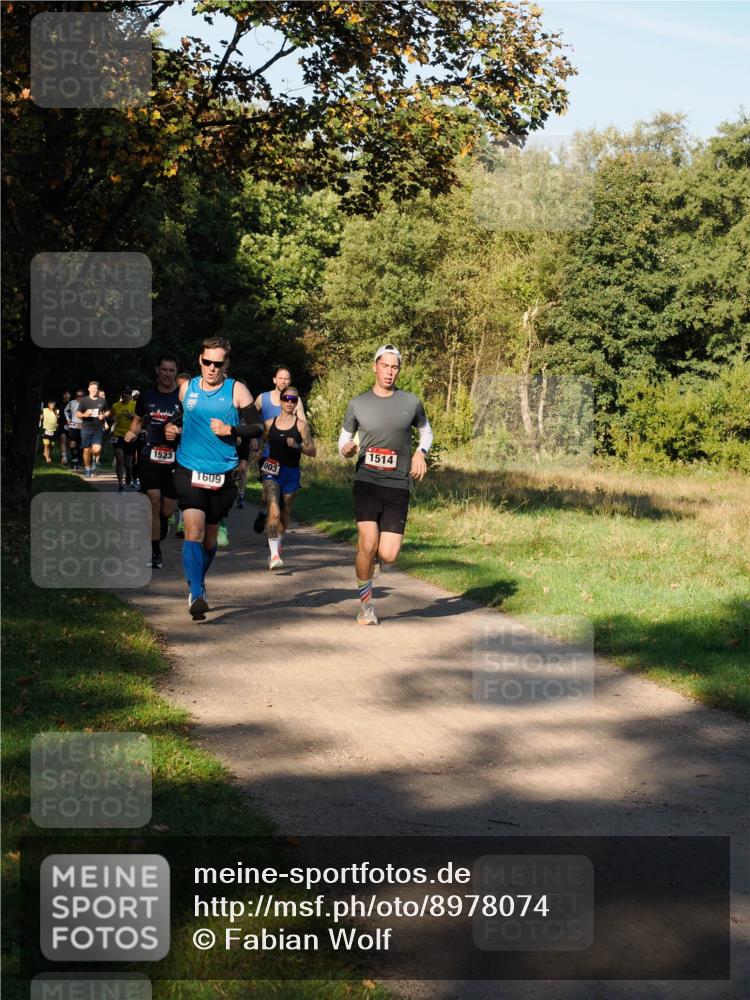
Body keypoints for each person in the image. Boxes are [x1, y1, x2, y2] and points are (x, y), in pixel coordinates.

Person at [165, 337, 261, 619]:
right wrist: (172, 429)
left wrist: (232, 430)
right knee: (192, 530)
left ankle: (197, 581)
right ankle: (196, 594)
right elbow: (180, 419)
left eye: (218, 364)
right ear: (200, 360)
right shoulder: (187, 389)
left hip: (222, 474)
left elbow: (256, 427)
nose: (211, 368)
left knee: (209, 541)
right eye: (207, 362)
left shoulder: (236, 390)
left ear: (226, 364)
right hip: (188, 468)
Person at [338, 345, 433, 625]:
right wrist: (345, 450)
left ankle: (374, 562)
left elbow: (426, 433)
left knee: (388, 554)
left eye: (395, 367)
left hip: (398, 485)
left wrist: (420, 453)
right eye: (385, 366)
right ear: (375, 367)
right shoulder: (358, 403)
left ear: (398, 370)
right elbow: (343, 440)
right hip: (367, 481)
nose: (390, 372)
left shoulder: (411, 402)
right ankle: (366, 607)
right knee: (367, 543)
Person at [125, 356, 181, 570]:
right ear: (157, 370)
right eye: (164, 369)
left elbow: (194, 426)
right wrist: (131, 433)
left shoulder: (183, 397)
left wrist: (179, 432)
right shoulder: (147, 396)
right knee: (153, 500)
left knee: (166, 510)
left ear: (176, 372)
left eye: (171, 370)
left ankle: (163, 521)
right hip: (150, 454)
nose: (167, 374)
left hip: (176, 457)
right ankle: (155, 551)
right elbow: (138, 421)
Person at [260, 385, 316, 570]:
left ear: (297, 402)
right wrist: (256, 460)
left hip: (291, 473)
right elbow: (260, 444)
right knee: (274, 511)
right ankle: (274, 555)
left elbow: (312, 451)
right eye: (287, 399)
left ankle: (275, 545)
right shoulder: (269, 423)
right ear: (281, 401)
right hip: (272, 471)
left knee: (284, 514)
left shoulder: (301, 425)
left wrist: (298, 446)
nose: (290, 402)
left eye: (294, 400)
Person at [251, 367, 307, 531]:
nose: (283, 381)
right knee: (268, 489)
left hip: (288, 455)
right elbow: (251, 418)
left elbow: (303, 421)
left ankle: (270, 520)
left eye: (287, 379)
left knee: (276, 497)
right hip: (267, 453)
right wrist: (254, 439)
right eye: (280, 378)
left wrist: (300, 438)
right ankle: (264, 511)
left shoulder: (294, 400)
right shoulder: (263, 398)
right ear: (274, 380)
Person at [77, 381, 110, 477]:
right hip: (86, 428)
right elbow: (77, 413)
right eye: (92, 388)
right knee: (86, 450)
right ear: (89, 389)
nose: (94, 390)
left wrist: (103, 415)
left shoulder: (102, 400)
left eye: (96, 388)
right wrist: (84, 415)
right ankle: (87, 468)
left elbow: (108, 411)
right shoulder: (84, 400)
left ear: (97, 390)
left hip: (98, 429)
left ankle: (93, 459)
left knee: (97, 449)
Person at [111, 388, 137, 493]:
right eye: (123, 393)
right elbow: (112, 417)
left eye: (127, 393)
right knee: (120, 460)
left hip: (130, 435)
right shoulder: (115, 405)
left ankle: (129, 473)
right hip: (117, 435)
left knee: (129, 463)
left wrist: (132, 417)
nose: (124, 395)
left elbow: (141, 419)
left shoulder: (135, 404)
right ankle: (120, 484)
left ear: (130, 396)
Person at [64, 390, 84, 470]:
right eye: (77, 396)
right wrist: (68, 418)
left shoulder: (86, 403)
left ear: (83, 396)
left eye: (81, 396)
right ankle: (74, 460)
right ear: (75, 396)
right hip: (73, 425)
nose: (79, 397)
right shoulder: (72, 402)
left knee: (81, 445)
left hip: (83, 426)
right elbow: (65, 410)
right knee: (72, 443)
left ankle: (79, 460)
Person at [40, 400, 59, 464]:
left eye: (53, 404)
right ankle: (48, 458)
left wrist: (57, 423)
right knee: (46, 445)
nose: (52, 405)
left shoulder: (57, 411)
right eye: (51, 404)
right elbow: (41, 417)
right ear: (48, 404)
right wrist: (41, 417)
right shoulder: (44, 410)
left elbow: (57, 419)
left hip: (53, 430)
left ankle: (47, 454)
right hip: (45, 429)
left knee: (52, 445)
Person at [58, 390, 71, 464]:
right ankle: (64, 457)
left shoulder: (72, 404)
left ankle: (68, 455)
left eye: (68, 395)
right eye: (66, 395)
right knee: (63, 439)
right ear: (64, 396)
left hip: (71, 425)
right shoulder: (60, 404)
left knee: (69, 442)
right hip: (62, 424)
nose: (67, 396)